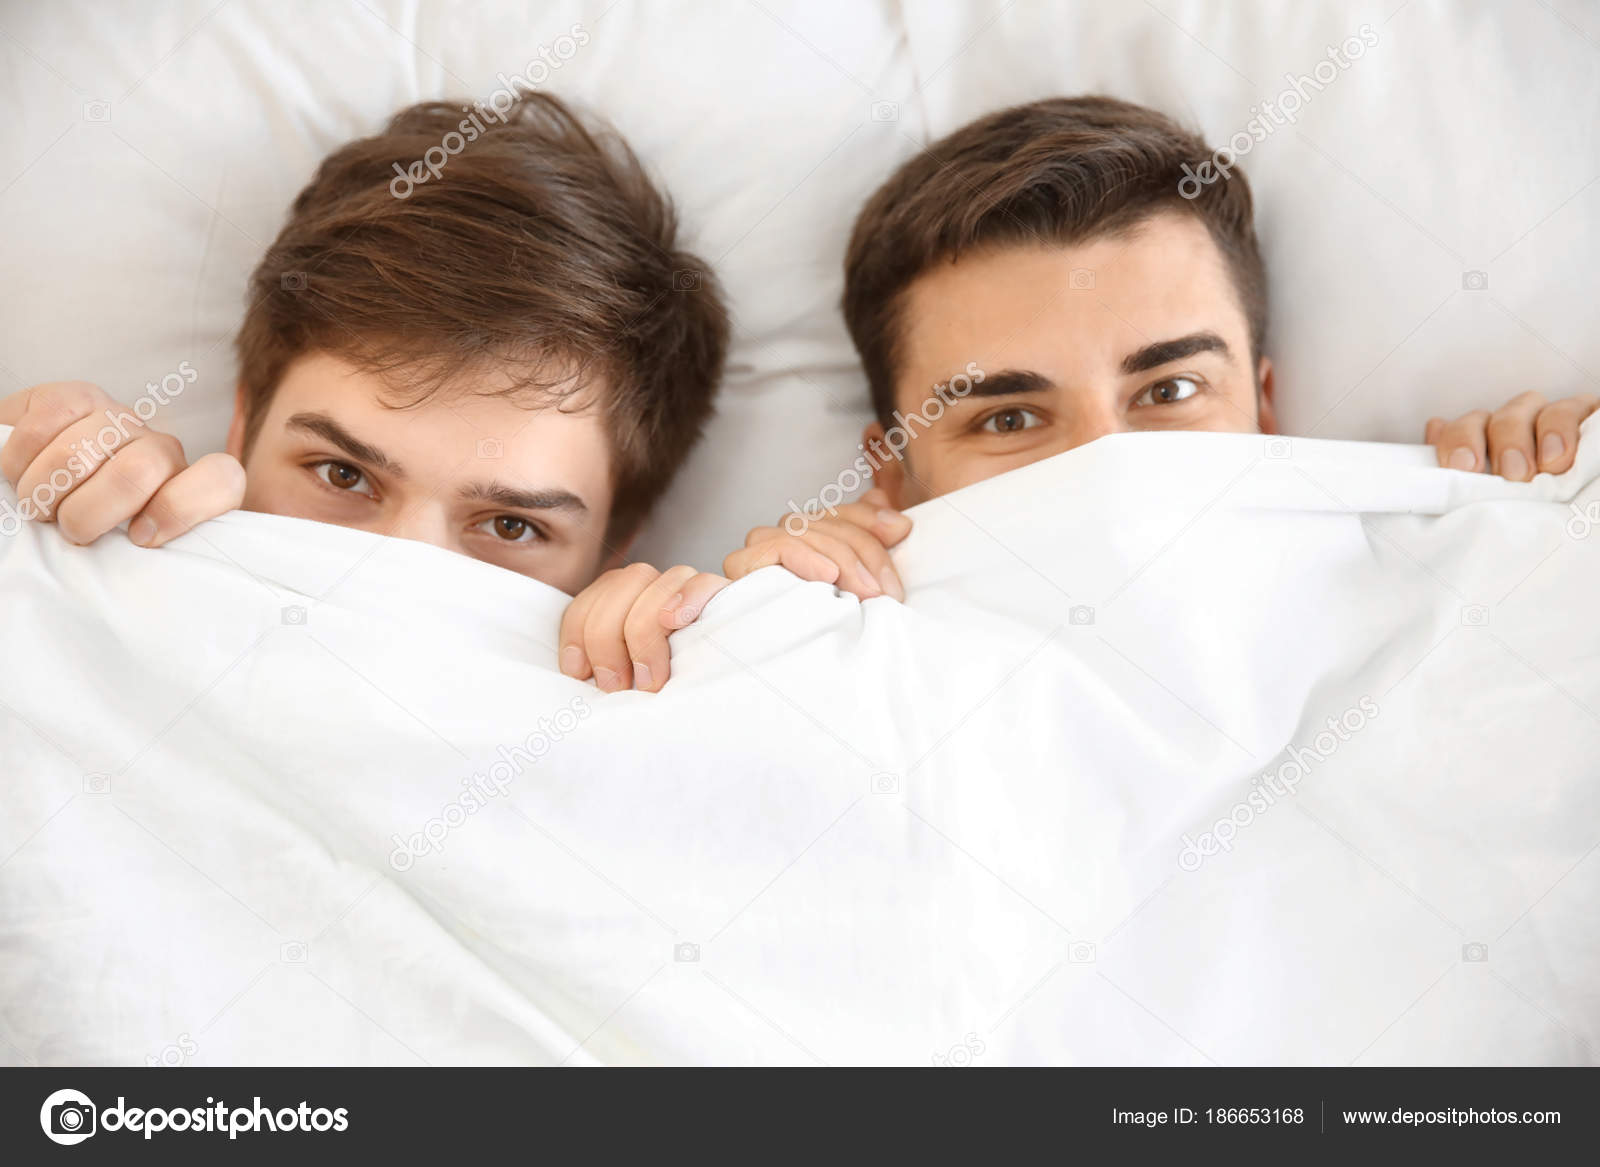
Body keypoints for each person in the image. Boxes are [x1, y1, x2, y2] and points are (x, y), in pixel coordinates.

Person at [561, 96, 1596, 691]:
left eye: (1171, 388)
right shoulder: (819, 651)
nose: (1111, 463)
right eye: (1008, 418)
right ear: (896, 475)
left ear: (1265, 407)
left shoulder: (1462, 570)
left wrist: (1545, 512)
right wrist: (707, 645)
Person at [0, 94, 728, 599]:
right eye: (342, 475)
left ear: (611, 553)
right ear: (243, 425)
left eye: (512, 526)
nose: (390, 570)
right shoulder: (93, 577)